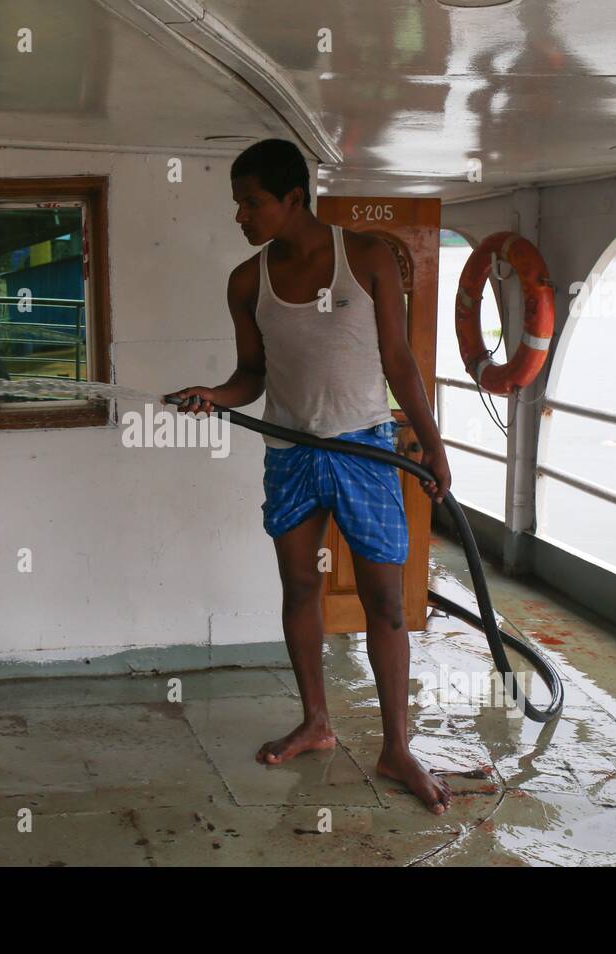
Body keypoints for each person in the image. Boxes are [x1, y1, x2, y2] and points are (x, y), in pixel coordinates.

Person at [168, 138, 455, 815]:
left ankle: (397, 747)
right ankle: (317, 722)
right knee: (302, 588)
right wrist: (214, 393)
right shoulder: (247, 281)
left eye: (252, 202)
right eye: (239, 204)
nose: (241, 216)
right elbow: (252, 377)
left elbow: (400, 362)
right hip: (292, 453)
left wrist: (433, 447)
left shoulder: (368, 258)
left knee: (385, 603)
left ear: (294, 198)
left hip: (367, 450)